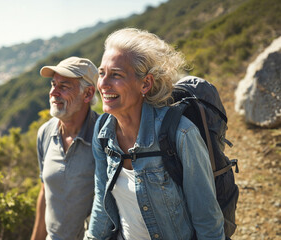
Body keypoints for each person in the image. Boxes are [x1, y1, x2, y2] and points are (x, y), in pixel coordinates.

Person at [85, 28, 225, 240]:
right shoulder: (103, 132)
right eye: (102, 73)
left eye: (116, 75)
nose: (103, 84)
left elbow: (207, 220)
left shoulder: (181, 133)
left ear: (145, 83)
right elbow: (101, 203)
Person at [31, 56, 99, 240]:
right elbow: (45, 192)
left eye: (64, 86)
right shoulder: (45, 132)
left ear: (88, 94)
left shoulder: (104, 135)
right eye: (53, 84)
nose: (53, 92)